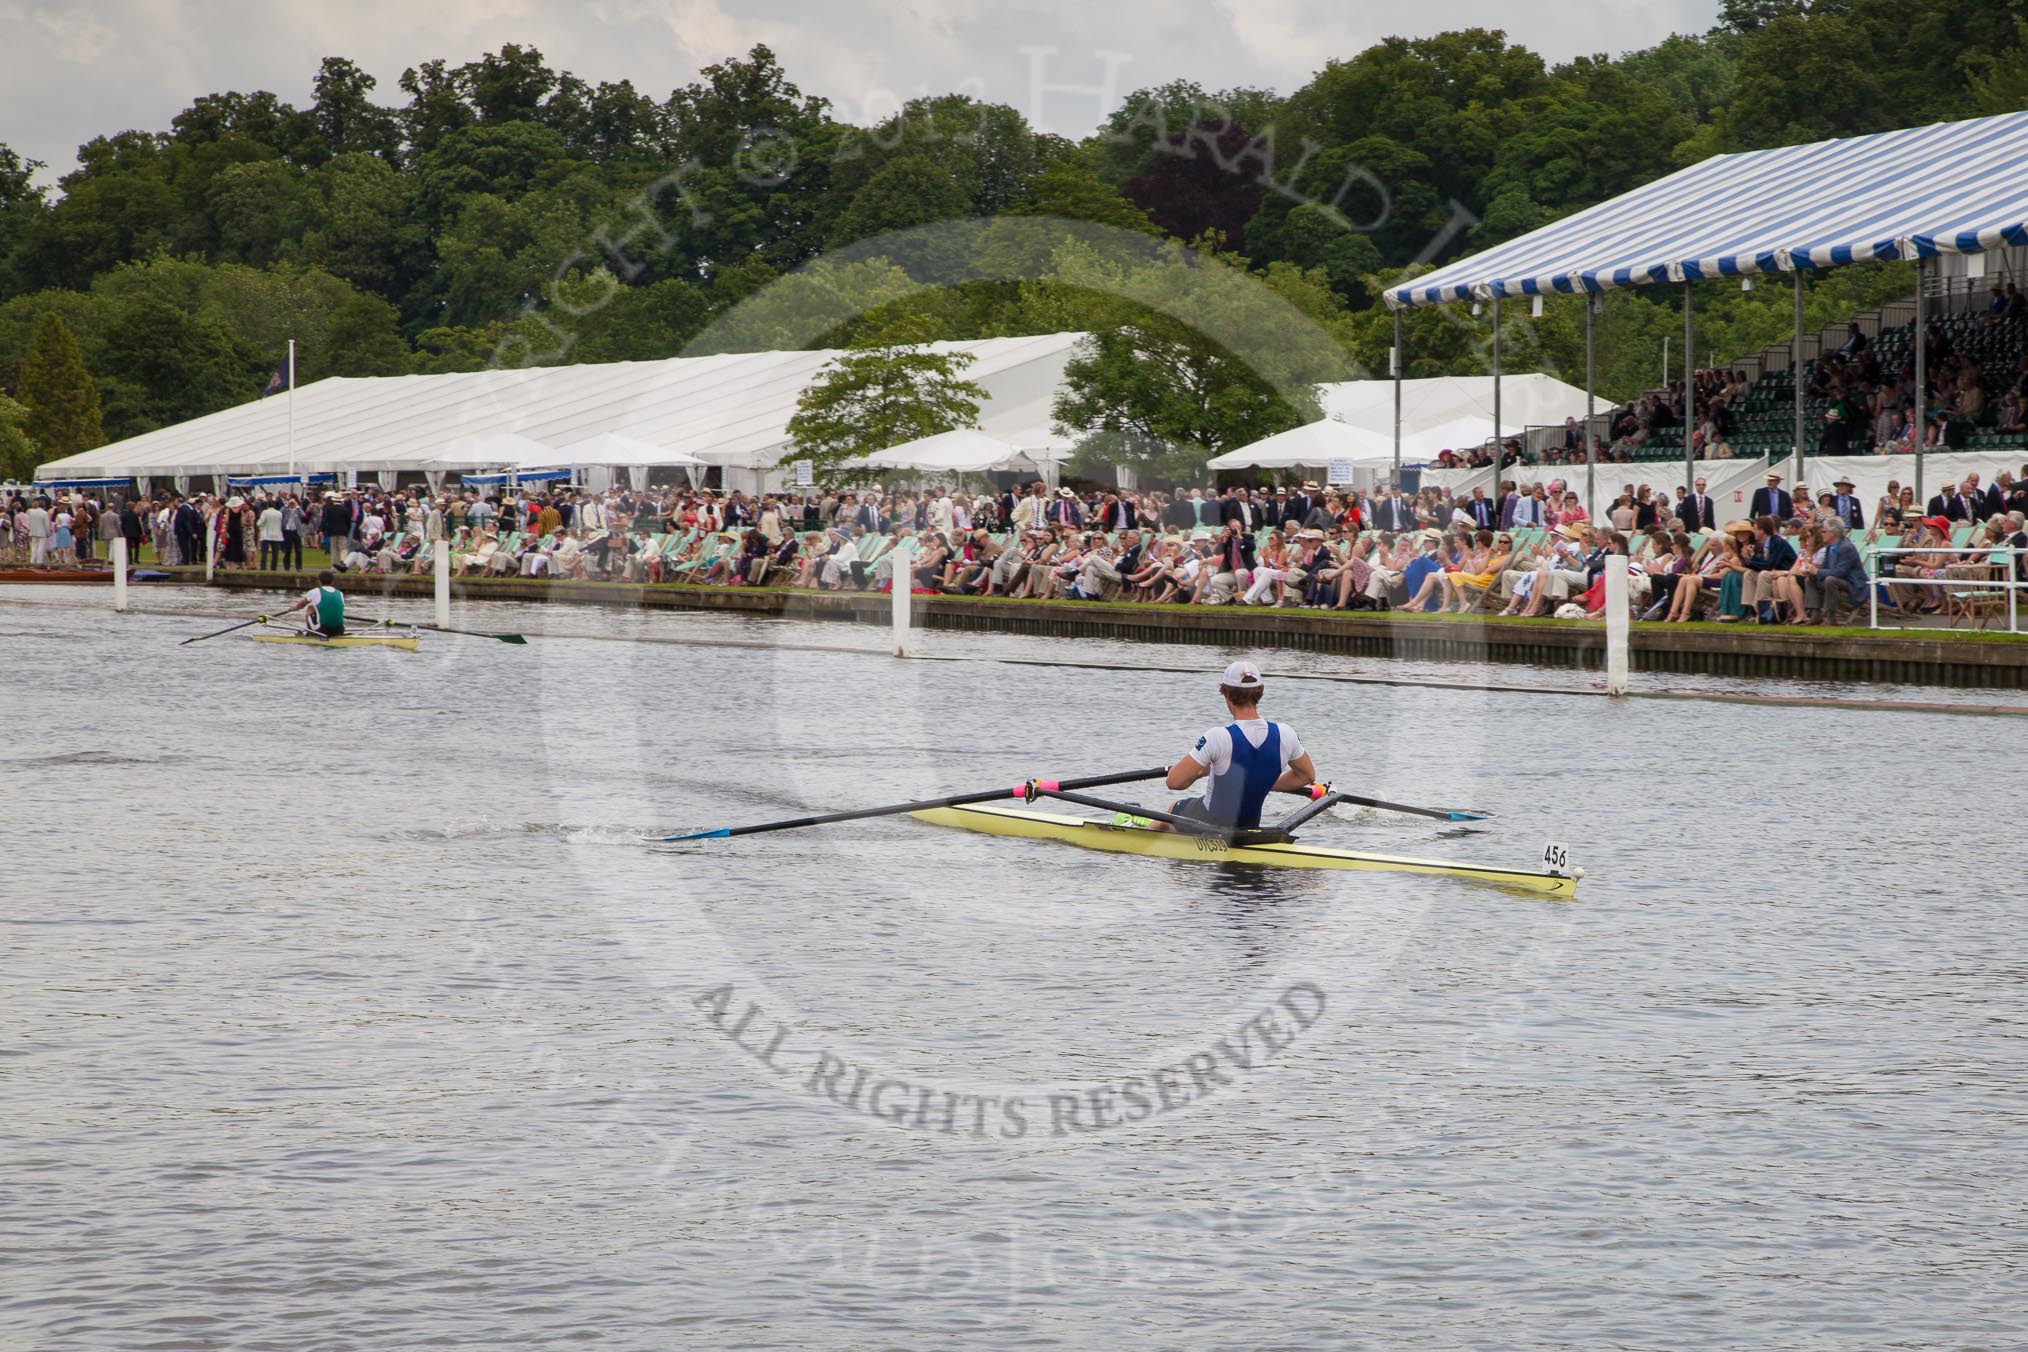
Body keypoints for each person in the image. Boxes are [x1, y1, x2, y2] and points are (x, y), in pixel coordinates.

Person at [1160, 661, 1318, 834]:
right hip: (1249, 824)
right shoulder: (1286, 734)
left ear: (1227, 694)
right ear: (1260, 692)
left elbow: (1173, 782)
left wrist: (1201, 772)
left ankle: (1140, 837)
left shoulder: (1217, 737)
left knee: (1172, 810)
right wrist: (1261, 783)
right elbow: (1307, 776)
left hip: (1209, 823)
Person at [287, 569, 347, 637]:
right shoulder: (340, 593)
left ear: (319, 581)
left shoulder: (315, 592)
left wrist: (295, 608)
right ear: (333, 582)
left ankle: (310, 634)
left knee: (310, 608)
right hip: (339, 630)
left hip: (322, 631)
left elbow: (301, 605)